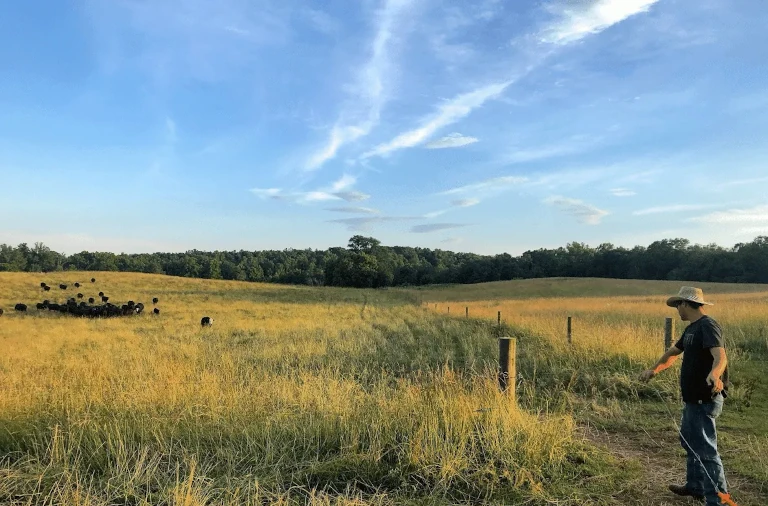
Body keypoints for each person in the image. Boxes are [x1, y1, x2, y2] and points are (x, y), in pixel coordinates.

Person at [640, 286, 730, 505]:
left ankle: (718, 500)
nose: (677, 310)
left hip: (704, 398)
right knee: (689, 441)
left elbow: (720, 356)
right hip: (692, 399)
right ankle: (695, 486)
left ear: (685, 304)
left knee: (706, 450)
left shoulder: (707, 325)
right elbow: (673, 353)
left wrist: (715, 375)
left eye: (677, 305)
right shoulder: (691, 329)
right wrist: (654, 370)